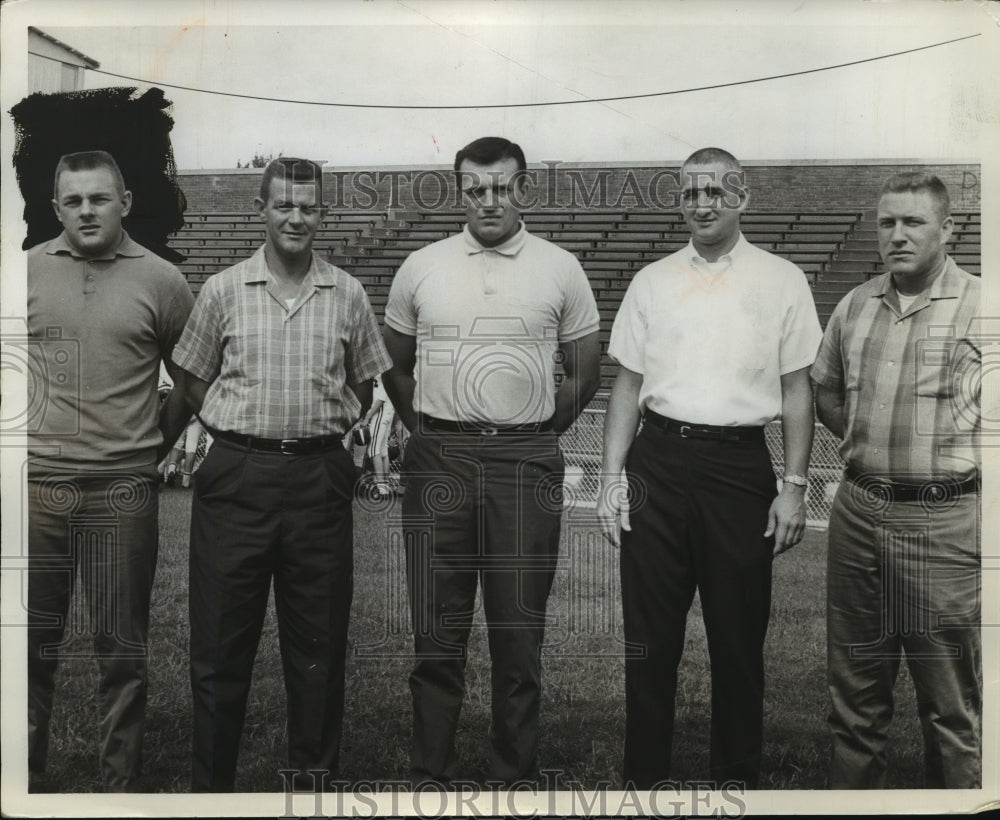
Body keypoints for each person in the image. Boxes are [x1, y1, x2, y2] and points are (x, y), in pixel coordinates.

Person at [597, 147, 822, 789]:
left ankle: (737, 781)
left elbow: (797, 388)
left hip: (738, 467)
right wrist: (613, 479)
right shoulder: (652, 280)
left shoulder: (782, 280)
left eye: (716, 192)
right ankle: (642, 782)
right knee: (650, 639)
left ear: (743, 197)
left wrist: (795, 486)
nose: (702, 204)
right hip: (658, 462)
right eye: (691, 193)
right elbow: (627, 383)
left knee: (737, 639)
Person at [382, 136, 601, 786]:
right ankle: (430, 772)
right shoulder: (422, 265)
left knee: (517, 632)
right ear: (460, 192)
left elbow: (586, 367)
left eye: (501, 186)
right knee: (437, 629)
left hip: (523, 457)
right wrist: (426, 426)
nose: (488, 199)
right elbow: (393, 363)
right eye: (475, 188)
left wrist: (540, 426)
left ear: (523, 189)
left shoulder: (559, 267)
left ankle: (512, 774)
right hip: (439, 457)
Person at [171, 157, 391, 792]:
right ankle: (211, 795)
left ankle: (313, 790)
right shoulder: (221, 290)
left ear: (324, 212)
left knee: (317, 652)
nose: (297, 217)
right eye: (283, 204)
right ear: (261, 208)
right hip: (237, 474)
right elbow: (190, 380)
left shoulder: (346, 292)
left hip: (319, 478)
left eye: (310, 206)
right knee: (219, 648)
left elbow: (365, 381)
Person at [26, 150, 194, 792]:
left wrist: (152, 443)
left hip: (123, 490)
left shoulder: (162, 280)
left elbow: (191, 379)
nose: (87, 210)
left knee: (120, 650)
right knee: (28, 646)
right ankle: (24, 777)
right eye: (74, 200)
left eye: (100, 198)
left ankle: (117, 786)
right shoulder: (23, 274)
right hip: (38, 488)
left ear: (124, 201)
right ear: (57, 208)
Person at [811, 172, 981, 789]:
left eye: (913, 222)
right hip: (857, 512)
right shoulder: (855, 304)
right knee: (855, 695)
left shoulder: (984, 308)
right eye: (887, 223)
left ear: (948, 229)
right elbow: (827, 393)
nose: (898, 235)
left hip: (943, 519)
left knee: (950, 703)